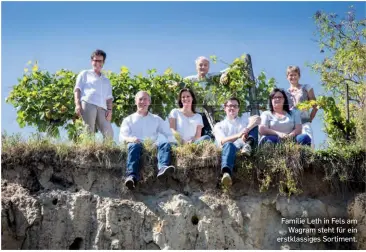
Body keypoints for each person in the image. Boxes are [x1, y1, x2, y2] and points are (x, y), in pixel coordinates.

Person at [119, 91, 176, 190]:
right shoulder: (128, 119)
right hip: (136, 145)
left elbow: (168, 133)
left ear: (149, 102)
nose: (142, 101)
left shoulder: (156, 119)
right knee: (134, 146)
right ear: (135, 101)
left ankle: (163, 168)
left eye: (145, 99)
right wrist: (131, 139)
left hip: (152, 146)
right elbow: (122, 137)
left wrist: (175, 143)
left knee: (164, 143)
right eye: (140, 99)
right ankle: (131, 176)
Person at [213, 97, 261, 187]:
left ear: (238, 109)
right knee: (229, 144)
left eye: (235, 106)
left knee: (254, 126)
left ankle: (248, 145)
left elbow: (257, 118)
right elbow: (222, 141)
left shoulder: (244, 119)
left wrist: (246, 130)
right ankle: (226, 174)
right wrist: (238, 135)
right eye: (230, 106)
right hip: (229, 149)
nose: (232, 108)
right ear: (225, 108)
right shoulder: (219, 125)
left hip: (245, 147)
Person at [184, 56, 229, 138]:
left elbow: (228, 71)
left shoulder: (213, 77)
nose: (203, 67)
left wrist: (224, 75)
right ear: (196, 66)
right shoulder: (190, 80)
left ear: (209, 67)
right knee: (197, 137)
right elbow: (178, 85)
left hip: (213, 113)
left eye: (205, 65)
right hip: (196, 114)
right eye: (200, 65)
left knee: (213, 135)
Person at [74, 49, 113, 140]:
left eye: (100, 61)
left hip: (102, 108)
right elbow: (77, 89)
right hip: (88, 103)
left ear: (103, 62)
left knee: (109, 133)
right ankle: (89, 151)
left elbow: (109, 98)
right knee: (88, 131)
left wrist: (110, 110)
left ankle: (105, 152)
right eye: (95, 60)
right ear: (92, 61)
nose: (97, 63)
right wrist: (77, 104)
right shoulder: (84, 74)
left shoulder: (106, 80)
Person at [286, 66, 318, 149]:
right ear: (287, 77)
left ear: (299, 76)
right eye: (290, 75)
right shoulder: (285, 93)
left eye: (295, 75)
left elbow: (315, 105)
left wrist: (310, 118)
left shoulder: (306, 88)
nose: (293, 77)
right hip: (291, 125)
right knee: (293, 147)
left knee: (309, 143)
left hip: (304, 122)